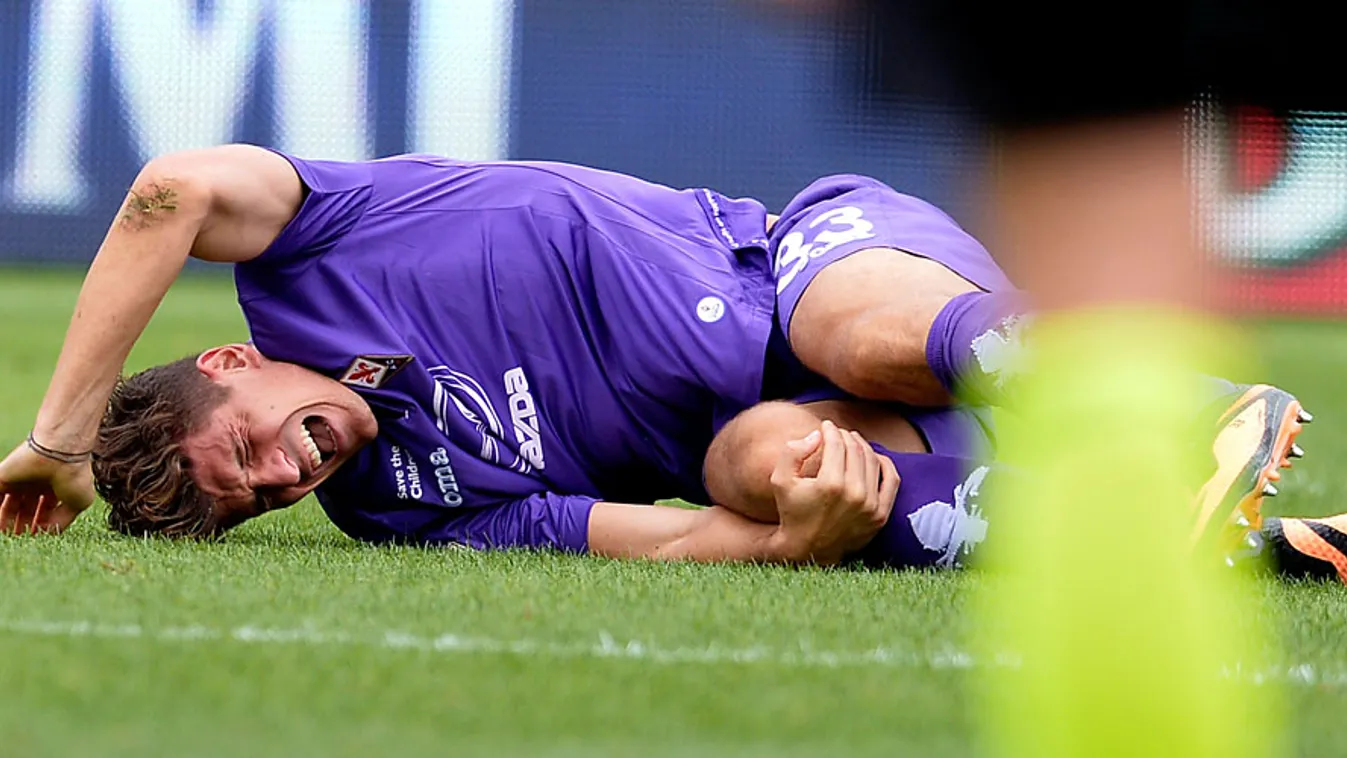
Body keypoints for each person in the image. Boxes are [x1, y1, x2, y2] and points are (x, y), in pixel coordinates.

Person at [0, 145, 1303, 570]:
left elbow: (166, 191)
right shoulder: (400, 503)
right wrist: (803, 530)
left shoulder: (305, 241)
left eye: (247, 449)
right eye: (264, 497)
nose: (285, 473)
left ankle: (1170, 401)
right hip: (769, 406)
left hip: (808, 260)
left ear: (232, 360)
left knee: (840, 329)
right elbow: (660, 536)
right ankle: (1234, 534)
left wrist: (57, 437)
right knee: (763, 462)